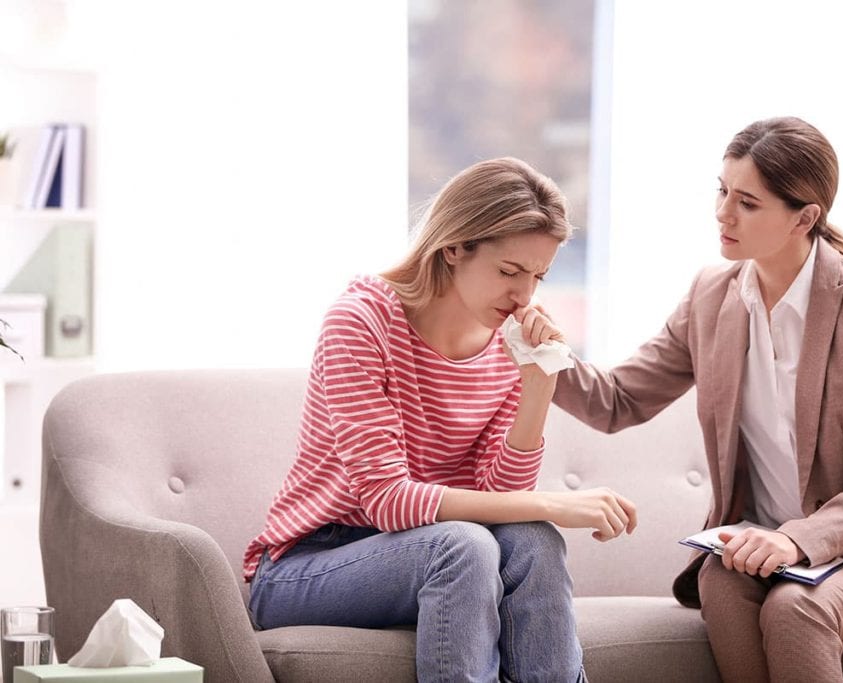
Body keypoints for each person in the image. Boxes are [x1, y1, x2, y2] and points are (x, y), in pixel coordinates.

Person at [550, 117, 843, 681]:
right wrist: (538, 352)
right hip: (765, 557)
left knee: (795, 608)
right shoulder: (712, 296)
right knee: (721, 581)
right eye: (722, 190)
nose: (723, 212)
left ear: (805, 217)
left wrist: (794, 540)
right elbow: (618, 401)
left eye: (748, 202)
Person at [243, 156, 636, 682]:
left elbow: (501, 497)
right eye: (508, 272)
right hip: (308, 566)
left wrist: (538, 388)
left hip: (441, 555)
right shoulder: (360, 321)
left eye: (538, 276)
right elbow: (387, 499)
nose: (524, 296)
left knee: (534, 540)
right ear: (455, 247)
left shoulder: (509, 346)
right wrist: (554, 502)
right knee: (465, 545)